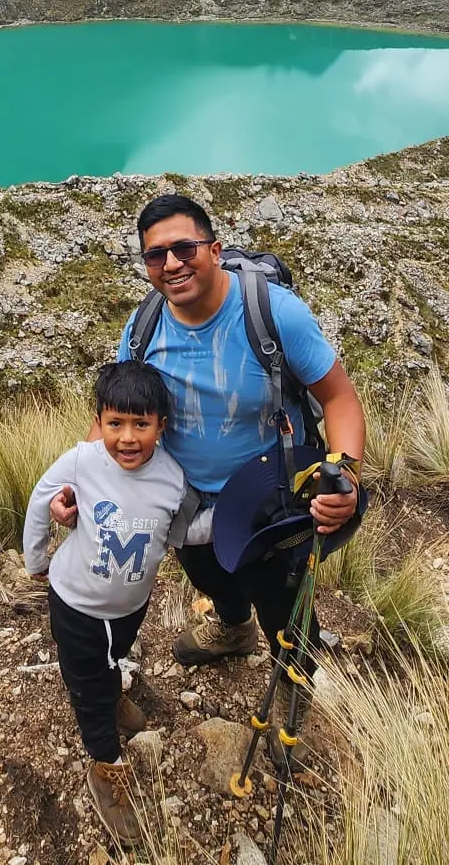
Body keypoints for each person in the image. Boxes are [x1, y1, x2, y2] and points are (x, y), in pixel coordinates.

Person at [59, 192, 366, 666]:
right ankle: (232, 626)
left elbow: (339, 398)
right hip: (185, 497)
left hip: (271, 497)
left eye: (186, 248)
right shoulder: (144, 328)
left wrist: (345, 476)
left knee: (284, 608)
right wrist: (79, 483)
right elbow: (118, 415)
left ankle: (292, 698)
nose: (172, 264)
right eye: (156, 255)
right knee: (209, 575)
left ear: (215, 250)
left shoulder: (274, 313)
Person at [23, 357, 190, 844]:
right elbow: (40, 498)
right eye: (115, 423)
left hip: (130, 605)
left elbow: (177, 532)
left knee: (114, 657)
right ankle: (105, 765)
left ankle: (112, 690)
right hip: (74, 602)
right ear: (99, 420)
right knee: (87, 685)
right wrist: (36, 559)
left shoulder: (173, 478)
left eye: (141, 424)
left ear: (162, 424)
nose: (128, 438)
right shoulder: (82, 460)